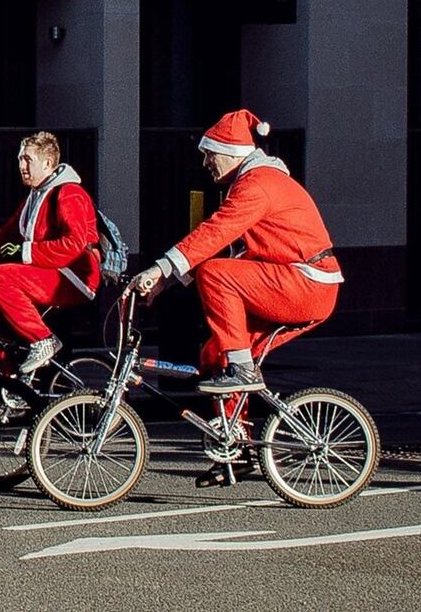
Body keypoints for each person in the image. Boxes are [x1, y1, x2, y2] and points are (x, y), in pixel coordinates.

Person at [132, 109, 344, 486]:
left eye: (209, 153)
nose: (205, 162)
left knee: (217, 276)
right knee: (216, 354)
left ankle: (242, 371)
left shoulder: (257, 184)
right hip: (298, 281)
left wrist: (159, 269)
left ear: (231, 151)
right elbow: (234, 251)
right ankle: (238, 447)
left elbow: (215, 235)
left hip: (306, 283)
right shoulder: (255, 182)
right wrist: (168, 281)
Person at [0, 131, 101, 374]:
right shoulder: (34, 197)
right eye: (20, 159)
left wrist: (26, 251)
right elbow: (1, 238)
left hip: (74, 276)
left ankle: (43, 340)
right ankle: (8, 393)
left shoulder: (69, 194)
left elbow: (74, 244)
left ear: (47, 163)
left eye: (27, 160)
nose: (21, 166)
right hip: (48, 274)